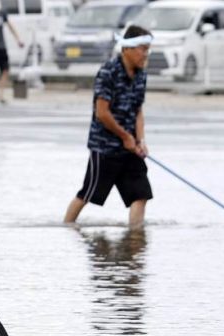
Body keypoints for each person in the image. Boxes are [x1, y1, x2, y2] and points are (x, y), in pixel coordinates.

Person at [63, 25, 153, 229]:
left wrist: (140, 140)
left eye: (148, 49)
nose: (145, 54)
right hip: (104, 147)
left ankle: (135, 238)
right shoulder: (108, 72)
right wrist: (125, 137)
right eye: (142, 49)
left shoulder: (141, 75)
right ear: (127, 49)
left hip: (130, 147)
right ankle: (66, 228)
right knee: (87, 193)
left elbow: (138, 110)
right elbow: (102, 113)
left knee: (141, 194)